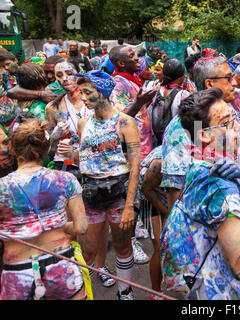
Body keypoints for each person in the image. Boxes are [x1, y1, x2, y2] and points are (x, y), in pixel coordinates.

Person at [160, 88, 240, 300]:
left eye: (234, 119)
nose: (238, 128)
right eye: (227, 124)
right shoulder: (222, 192)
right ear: (204, 135)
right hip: (220, 292)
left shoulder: (197, 161)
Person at [61, 70, 141, 300]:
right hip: (91, 193)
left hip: (118, 194)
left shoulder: (125, 122)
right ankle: (82, 294)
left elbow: (135, 166)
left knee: (122, 246)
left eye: (88, 92)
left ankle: (124, 292)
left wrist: (129, 206)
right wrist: (72, 154)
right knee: (87, 249)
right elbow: (86, 159)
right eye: (81, 91)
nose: (82, 97)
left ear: (103, 93)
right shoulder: (84, 122)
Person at [0, 119, 88, 300]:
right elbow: (81, 228)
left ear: (14, 149)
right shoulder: (65, 180)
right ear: (47, 149)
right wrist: (59, 227)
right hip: (61, 268)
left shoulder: (2, 187)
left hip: (17, 274)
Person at [160, 55, 238, 212]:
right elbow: (175, 193)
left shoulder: (228, 112)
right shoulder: (181, 129)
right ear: (210, 83)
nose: (235, 83)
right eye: (228, 78)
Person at [108, 45, 154, 264]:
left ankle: (140, 226)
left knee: (141, 192)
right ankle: (130, 241)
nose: (138, 59)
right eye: (132, 56)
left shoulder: (133, 79)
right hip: (131, 149)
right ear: (120, 63)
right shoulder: (118, 84)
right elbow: (120, 119)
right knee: (131, 195)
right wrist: (139, 103)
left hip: (144, 145)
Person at [140, 145, 168, 299]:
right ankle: (155, 292)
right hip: (151, 198)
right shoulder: (160, 162)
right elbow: (146, 189)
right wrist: (166, 212)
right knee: (159, 245)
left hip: (170, 196)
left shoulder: (197, 153)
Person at [149, 58, 190, 146]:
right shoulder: (183, 95)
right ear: (183, 76)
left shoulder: (155, 91)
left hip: (158, 141)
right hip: (177, 142)